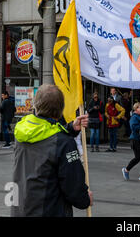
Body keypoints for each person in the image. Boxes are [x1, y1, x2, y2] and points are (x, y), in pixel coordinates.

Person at [11, 84, 92, 217]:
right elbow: (73, 186)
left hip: (22, 209)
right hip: (49, 210)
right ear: (61, 109)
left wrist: (70, 128)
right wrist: (85, 199)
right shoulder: (64, 143)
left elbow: (46, 135)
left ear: (35, 105)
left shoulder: (21, 131)